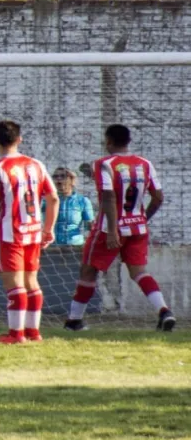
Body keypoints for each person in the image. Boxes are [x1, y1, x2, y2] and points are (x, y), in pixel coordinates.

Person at [65, 124, 175, 332]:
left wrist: (114, 230)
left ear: (108, 141)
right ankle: (164, 311)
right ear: (128, 141)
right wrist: (143, 218)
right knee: (138, 272)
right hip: (137, 228)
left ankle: (74, 320)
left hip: (108, 229)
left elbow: (108, 196)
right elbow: (158, 198)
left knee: (88, 271)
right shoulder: (144, 164)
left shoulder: (104, 164)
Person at [0, 121, 58, 344]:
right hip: (33, 232)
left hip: (9, 233)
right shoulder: (36, 165)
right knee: (32, 281)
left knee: (14, 284)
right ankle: (33, 332)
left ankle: (16, 335)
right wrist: (48, 229)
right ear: (19, 139)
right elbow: (53, 198)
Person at [42, 167, 94, 246]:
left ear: (72, 180)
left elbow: (90, 226)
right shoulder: (46, 200)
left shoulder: (82, 201)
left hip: (75, 246)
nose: (58, 179)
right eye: (55, 176)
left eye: (63, 176)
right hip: (51, 246)